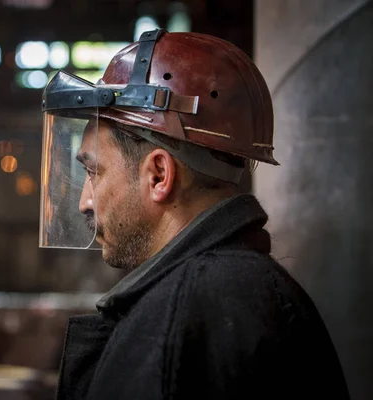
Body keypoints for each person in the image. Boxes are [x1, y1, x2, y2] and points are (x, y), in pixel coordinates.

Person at [39, 30, 350, 399]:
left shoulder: (177, 323)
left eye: (94, 173)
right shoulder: (253, 290)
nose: (84, 202)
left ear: (158, 175)